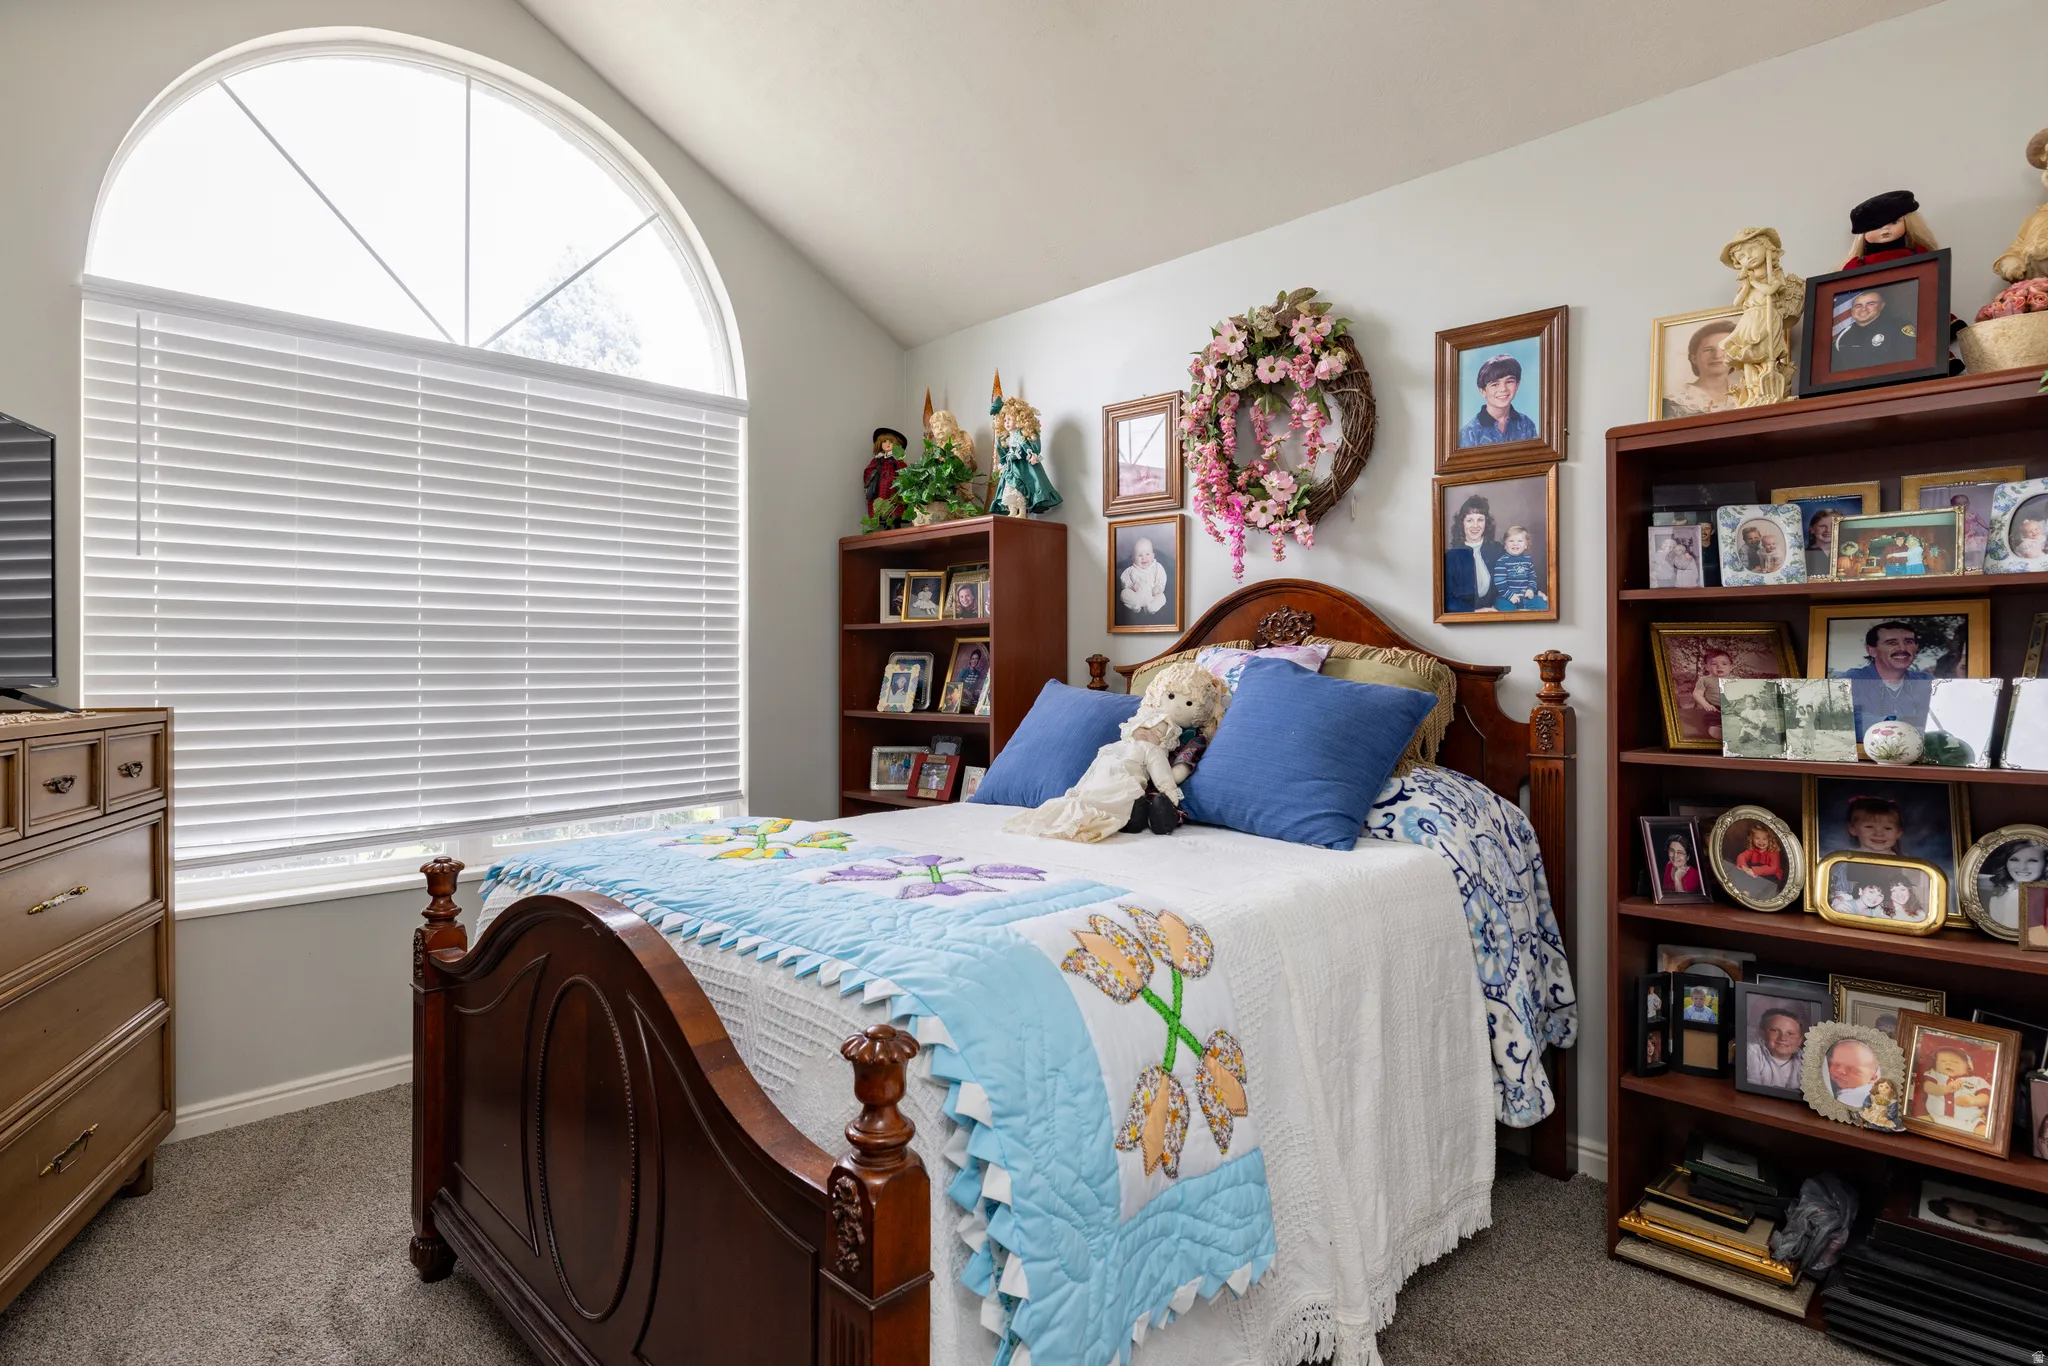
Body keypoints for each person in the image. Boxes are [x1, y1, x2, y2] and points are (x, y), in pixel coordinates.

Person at [1836, 621, 1933, 736]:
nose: (1902, 648)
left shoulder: (1928, 682)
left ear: (1916, 647)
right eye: (1891, 642)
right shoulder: (1851, 680)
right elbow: (1843, 720)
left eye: (1908, 642)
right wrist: (1895, 726)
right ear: (1872, 650)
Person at [1663, 319, 1741, 417]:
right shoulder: (1673, 403)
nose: (1717, 355)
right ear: (1694, 358)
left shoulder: (1747, 393)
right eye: (1708, 350)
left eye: (1724, 349)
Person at [1844, 190, 1939, 270]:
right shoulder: (1857, 265)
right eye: (1875, 226)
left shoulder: (1919, 255)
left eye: (1894, 222)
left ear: (1908, 223)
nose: (1885, 228)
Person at [1459, 354, 1537, 446]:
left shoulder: (1526, 424)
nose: (1503, 389)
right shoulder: (1470, 433)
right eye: (1495, 384)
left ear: (1517, 385)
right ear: (1483, 391)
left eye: (1509, 382)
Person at [1442, 495, 1503, 612]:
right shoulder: (1450, 557)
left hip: (1496, 617)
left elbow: (1513, 579)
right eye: (1470, 520)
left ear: (1486, 523)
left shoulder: (1498, 550)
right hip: (1464, 624)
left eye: (1480, 519)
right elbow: (1444, 599)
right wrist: (1474, 612)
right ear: (1462, 524)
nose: (1475, 525)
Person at [1919, 1043, 1993, 1135]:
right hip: (1936, 1117)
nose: (1948, 1063)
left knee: (1985, 1132)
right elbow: (1928, 1087)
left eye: (1955, 1062)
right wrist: (1945, 1089)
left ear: (1968, 1067)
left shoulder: (1976, 1080)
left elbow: (1985, 1097)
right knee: (1917, 1123)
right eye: (1942, 1061)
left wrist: (1972, 1101)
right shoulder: (1935, 1075)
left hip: (1971, 1121)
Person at [1833, 289, 1919, 368]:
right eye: (1858, 306)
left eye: (1871, 304)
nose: (1864, 309)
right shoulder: (1843, 336)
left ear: (1882, 306)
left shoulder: (1898, 327)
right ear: (1852, 310)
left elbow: (1910, 364)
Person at [1925, 1196, 2048, 1246]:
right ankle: (2042, 1232)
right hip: (1986, 1219)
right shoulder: (1948, 1205)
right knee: (2015, 1225)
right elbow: (1972, 1213)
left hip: (1986, 1221)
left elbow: (1972, 1216)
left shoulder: (1948, 1212)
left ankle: (2042, 1232)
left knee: (2015, 1226)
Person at [1981, 841, 2046, 934]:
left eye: (2032, 860)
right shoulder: (2000, 891)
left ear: (2045, 864)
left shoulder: (2043, 896)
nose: (2022, 867)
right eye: (2014, 859)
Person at [1746, 1007, 1807, 1089]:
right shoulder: (1751, 1052)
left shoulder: (1806, 1060)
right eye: (1774, 1030)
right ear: (1761, 1032)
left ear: (1800, 1040)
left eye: (1790, 1033)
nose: (1783, 1038)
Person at [1492, 525, 1547, 611]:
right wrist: (1509, 596)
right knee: (1503, 607)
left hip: (1525, 596)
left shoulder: (1528, 560)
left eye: (1520, 541)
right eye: (1511, 541)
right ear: (1505, 545)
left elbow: (1532, 578)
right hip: (1507, 597)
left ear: (1526, 545)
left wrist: (1531, 589)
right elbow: (1500, 582)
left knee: (1543, 604)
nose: (1515, 544)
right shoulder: (1502, 561)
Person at [1691, 647, 1735, 741]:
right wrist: (1706, 705)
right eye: (1714, 664)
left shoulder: (1736, 680)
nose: (1719, 666)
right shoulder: (1705, 680)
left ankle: (1738, 729)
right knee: (1711, 718)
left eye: (1724, 663)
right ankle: (1717, 731)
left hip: (1733, 707)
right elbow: (1697, 693)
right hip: (1715, 708)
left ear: (1730, 667)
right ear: (1707, 667)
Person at [1826, 1036, 1881, 1108]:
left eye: (1852, 1070)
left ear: (1873, 1078)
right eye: (1836, 1064)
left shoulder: (1856, 1098)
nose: (1840, 1071)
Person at [1118, 538, 1168, 616]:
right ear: (1133, 558)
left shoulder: (1157, 567)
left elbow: (1162, 577)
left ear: (1153, 556)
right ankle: (1135, 606)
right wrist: (1130, 585)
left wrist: (1158, 586)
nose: (1144, 558)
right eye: (1140, 555)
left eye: (1147, 554)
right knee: (1124, 593)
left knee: (1162, 597)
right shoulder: (1130, 570)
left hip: (1152, 596)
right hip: (1136, 596)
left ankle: (1151, 608)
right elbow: (1124, 578)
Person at [1733, 823, 1785, 893]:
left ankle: (1750, 892)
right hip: (1754, 873)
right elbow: (1741, 856)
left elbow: (1774, 868)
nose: (1761, 842)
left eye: (1764, 839)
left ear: (1770, 839)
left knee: (1760, 881)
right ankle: (1744, 890)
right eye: (1757, 838)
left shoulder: (1773, 852)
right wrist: (1744, 867)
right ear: (1752, 839)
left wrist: (1754, 871)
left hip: (1771, 876)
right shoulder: (1752, 850)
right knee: (1740, 873)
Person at [1805, 509, 1841, 579]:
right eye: (1822, 526)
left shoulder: (1849, 553)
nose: (1828, 530)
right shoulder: (1803, 555)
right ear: (1812, 529)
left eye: (1833, 525)